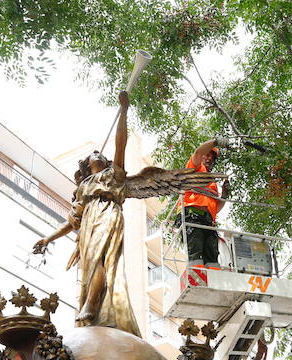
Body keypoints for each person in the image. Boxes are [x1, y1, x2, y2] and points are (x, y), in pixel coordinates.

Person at [33, 91, 223, 336]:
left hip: (108, 214)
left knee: (102, 258)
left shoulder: (114, 175)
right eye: (93, 154)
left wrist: (123, 111)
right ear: (87, 163)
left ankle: (91, 306)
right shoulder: (84, 188)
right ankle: (92, 305)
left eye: (101, 154)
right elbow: (72, 222)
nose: (98, 154)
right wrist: (48, 238)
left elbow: (119, 143)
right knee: (91, 264)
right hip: (90, 221)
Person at [177, 138, 231, 267]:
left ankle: (213, 279)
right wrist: (215, 142)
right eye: (207, 155)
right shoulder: (194, 169)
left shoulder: (212, 183)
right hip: (192, 216)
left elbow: (215, 209)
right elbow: (197, 153)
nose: (209, 159)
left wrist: (224, 195)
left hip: (208, 222)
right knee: (196, 253)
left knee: (212, 257)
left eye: (211, 157)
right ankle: (197, 277)